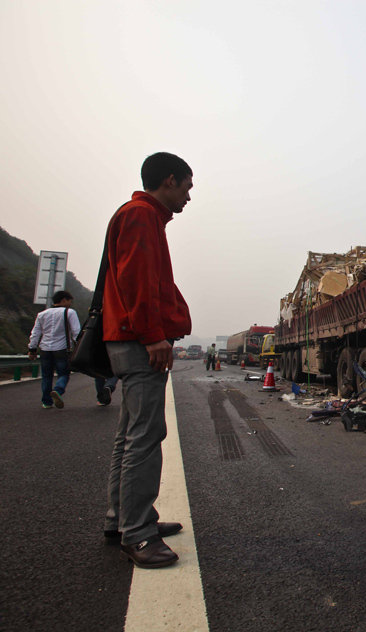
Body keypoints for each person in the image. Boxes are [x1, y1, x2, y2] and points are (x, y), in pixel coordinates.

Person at [101, 152, 194, 569]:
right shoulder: (141, 215)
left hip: (128, 338)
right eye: (187, 187)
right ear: (169, 180)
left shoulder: (142, 215)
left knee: (129, 433)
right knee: (145, 435)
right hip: (139, 342)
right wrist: (154, 336)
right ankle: (137, 535)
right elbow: (138, 282)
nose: (189, 197)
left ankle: (121, 518)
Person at [28, 291, 81, 409]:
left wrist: (32, 349)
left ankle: (46, 402)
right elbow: (76, 332)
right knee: (64, 373)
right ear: (63, 300)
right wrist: (79, 347)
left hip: (45, 349)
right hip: (61, 349)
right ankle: (58, 390)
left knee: (47, 376)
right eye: (69, 301)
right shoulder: (69, 313)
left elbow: (35, 333)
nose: (70, 304)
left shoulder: (42, 314)